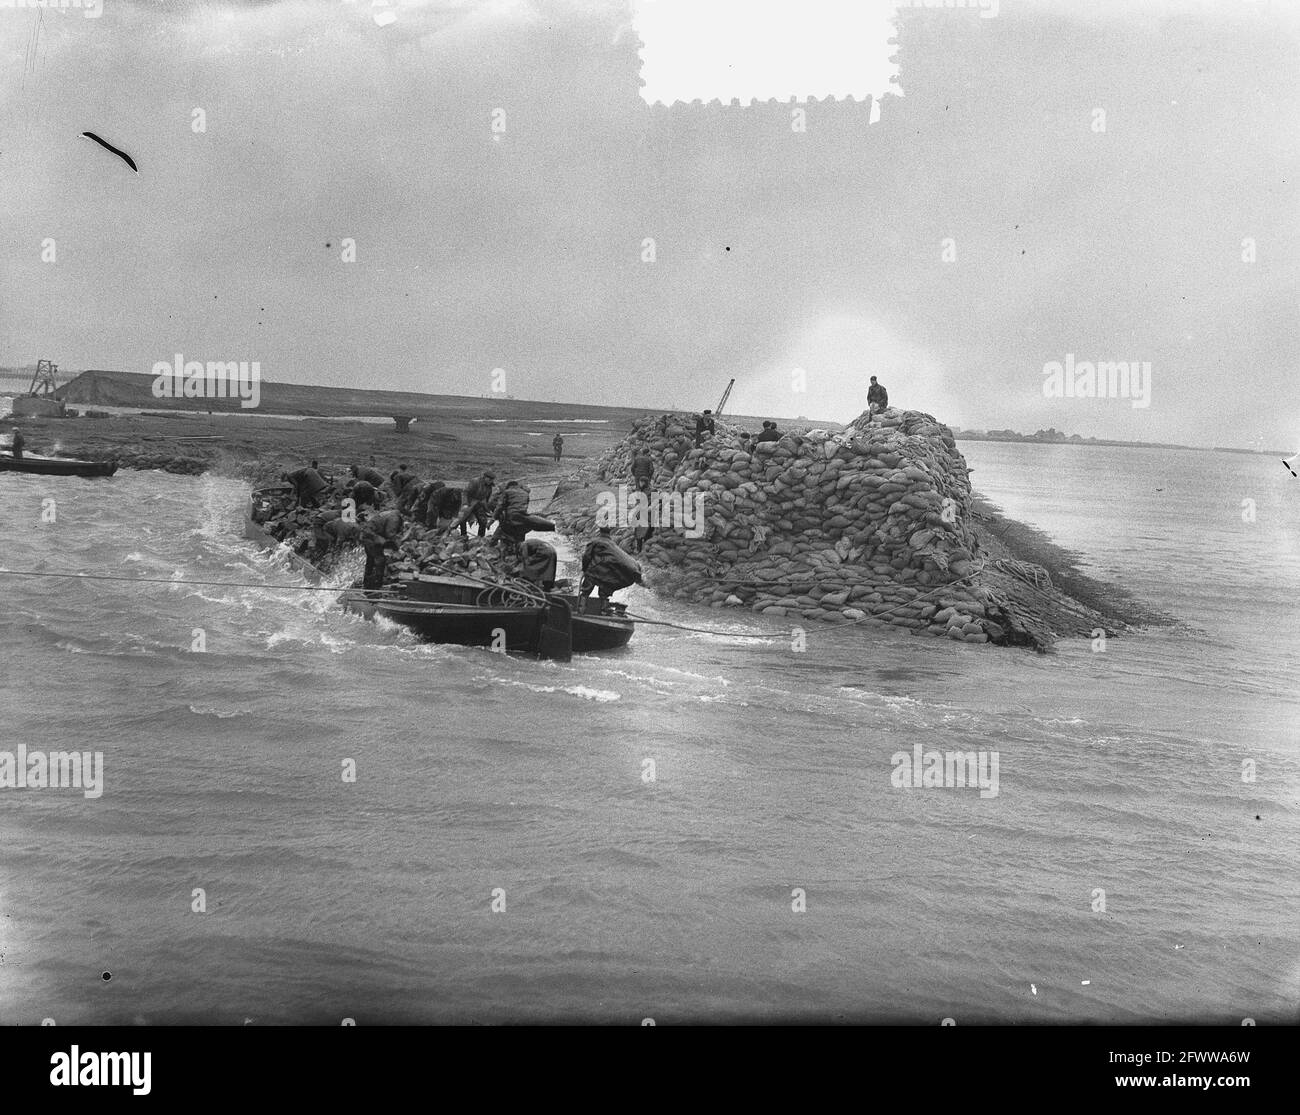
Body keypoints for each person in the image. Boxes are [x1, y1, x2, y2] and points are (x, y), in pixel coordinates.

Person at [579, 526, 643, 613]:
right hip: (607, 574)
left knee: (585, 591)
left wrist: (584, 569)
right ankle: (604, 611)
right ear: (610, 532)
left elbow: (586, 556)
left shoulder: (595, 542)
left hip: (594, 572)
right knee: (604, 591)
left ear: (599, 531)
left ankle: (581, 610)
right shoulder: (613, 545)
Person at [360, 506, 403, 589]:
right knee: (380, 559)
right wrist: (397, 547)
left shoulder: (390, 514)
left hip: (367, 534)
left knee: (370, 560)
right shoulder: (395, 518)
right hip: (371, 536)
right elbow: (390, 533)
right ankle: (377, 583)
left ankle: (367, 583)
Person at [453, 470, 496, 538]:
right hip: (470, 501)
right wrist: (465, 504)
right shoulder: (475, 481)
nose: (490, 481)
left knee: (483, 521)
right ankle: (463, 535)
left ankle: (480, 537)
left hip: (479, 503)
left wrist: (487, 509)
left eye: (492, 480)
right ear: (485, 477)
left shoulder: (489, 487)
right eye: (489, 479)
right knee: (462, 519)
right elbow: (465, 493)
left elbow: (486, 499)